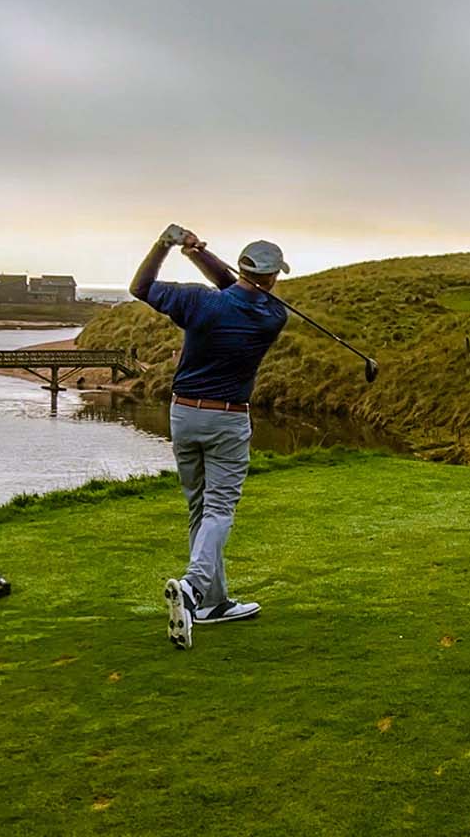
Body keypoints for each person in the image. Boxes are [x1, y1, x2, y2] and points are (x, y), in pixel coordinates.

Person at [129, 224, 290, 650]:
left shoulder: (198, 301)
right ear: (273, 277)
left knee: (200, 508)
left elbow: (140, 286)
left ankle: (213, 603)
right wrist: (198, 255)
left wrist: (172, 247)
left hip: (182, 414)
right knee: (220, 507)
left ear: (242, 268)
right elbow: (240, 288)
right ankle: (193, 588)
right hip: (229, 419)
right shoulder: (273, 316)